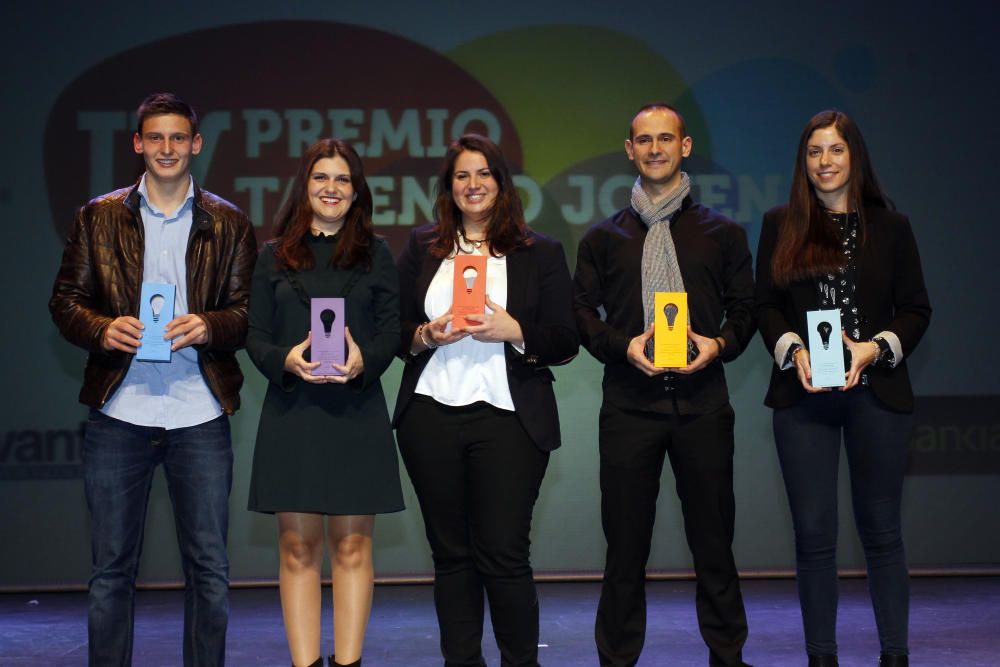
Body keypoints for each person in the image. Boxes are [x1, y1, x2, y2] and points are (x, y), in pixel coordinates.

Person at [48, 92, 257, 666]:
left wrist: (210, 325)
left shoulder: (231, 222)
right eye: (155, 138)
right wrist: (100, 329)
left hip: (200, 413)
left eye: (178, 138)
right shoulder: (99, 216)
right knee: (111, 571)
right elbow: (65, 302)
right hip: (121, 412)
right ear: (138, 144)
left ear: (196, 144)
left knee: (210, 571)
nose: (167, 148)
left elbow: (245, 314)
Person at [573, 103, 756, 667]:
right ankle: (617, 658)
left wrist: (718, 346)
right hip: (629, 408)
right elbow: (581, 313)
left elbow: (747, 311)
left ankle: (728, 657)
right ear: (629, 150)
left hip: (703, 408)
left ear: (685, 146)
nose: (655, 149)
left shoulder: (721, 234)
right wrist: (621, 345)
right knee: (625, 550)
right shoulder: (603, 239)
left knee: (714, 548)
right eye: (644, 140)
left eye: (666, 139)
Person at [393, 134, 578, 667]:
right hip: (429, 416)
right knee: (451, 557)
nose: (473, 185)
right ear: (448, 187)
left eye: (484, 174)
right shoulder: (422, 247)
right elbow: (395, 332)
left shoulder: (539, 251)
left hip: (510, 420)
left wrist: (515, 329)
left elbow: (565, 338)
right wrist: (427, 335)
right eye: (461, 176)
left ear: (501, 182)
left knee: (503, 554)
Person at [754, 110, 931, 667]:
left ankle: (895, 656)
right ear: (802, 162)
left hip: (876, 394)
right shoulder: (780, 223)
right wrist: (794, 351)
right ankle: (821, 658)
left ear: (855, 156)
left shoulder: (891, 226)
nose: (824, 162)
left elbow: (916, 310)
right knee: (813, 538)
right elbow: (764, 308)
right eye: (814, 152)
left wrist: (872, 348)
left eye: (834, 151)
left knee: (882, 532)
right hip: (804, 399)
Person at [246, 138, 404, 667]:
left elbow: (391, 334)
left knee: (353, 548)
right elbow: (256, 337)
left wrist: (366, 361)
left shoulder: (376, 254)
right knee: (297, 548)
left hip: (356, 412)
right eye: (321, 178)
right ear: (304, 186)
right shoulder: (272, 256)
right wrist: (285, 361)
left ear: (356, 191)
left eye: (342, 180)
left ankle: (349, 663)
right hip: (294, 412)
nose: (331, 189)